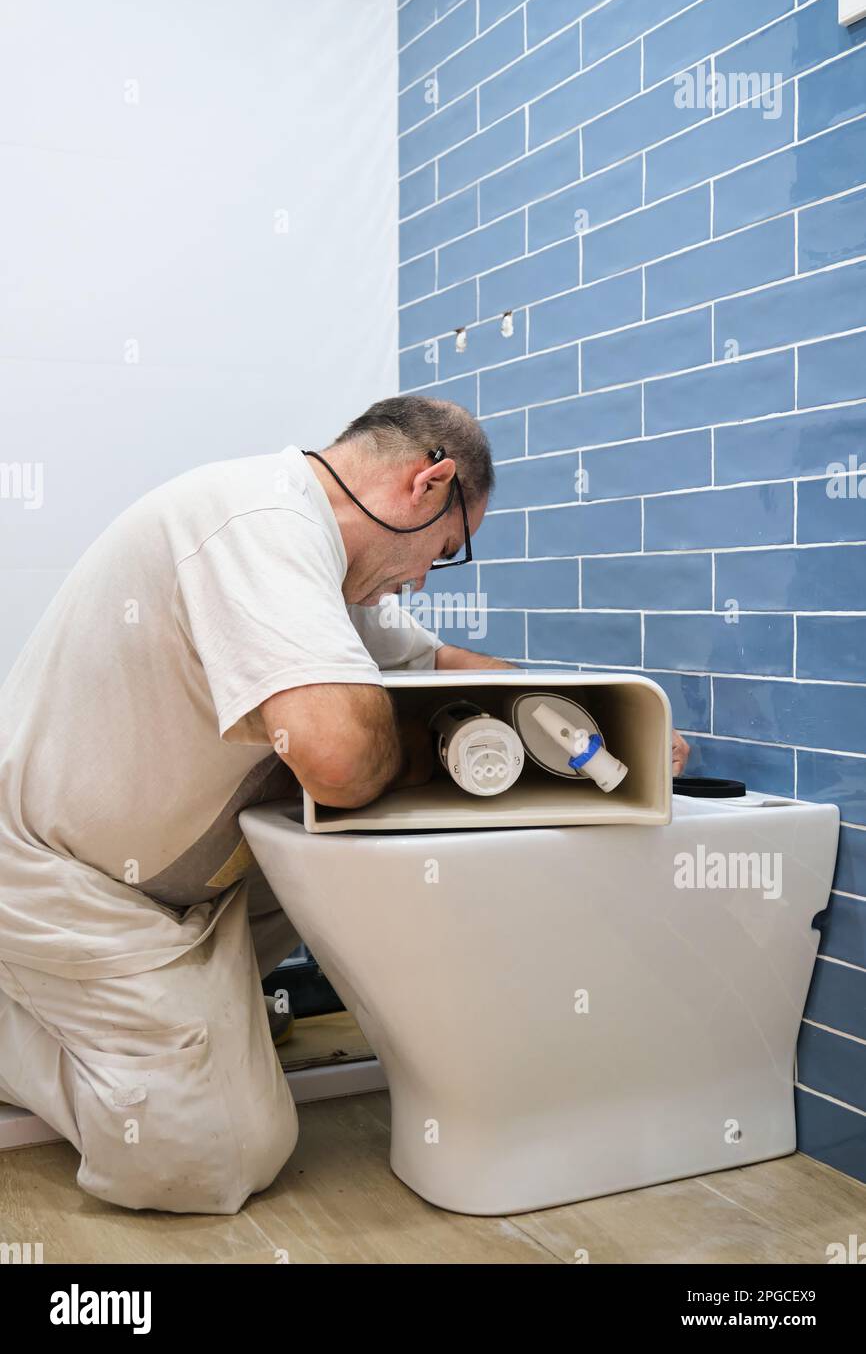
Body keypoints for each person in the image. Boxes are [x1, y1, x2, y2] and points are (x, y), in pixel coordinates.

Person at [0, 394, 690, 1214]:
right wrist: (422, 754)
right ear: (428, 484)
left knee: (337, 849)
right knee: (215, 1153)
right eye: (446, 549)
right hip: (63, 884)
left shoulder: (322, 564)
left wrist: (609, 725)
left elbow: (437, 666)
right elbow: (337, 762)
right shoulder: (259, 524)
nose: (424, 577)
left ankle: (170, 1027)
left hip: (182, 888)